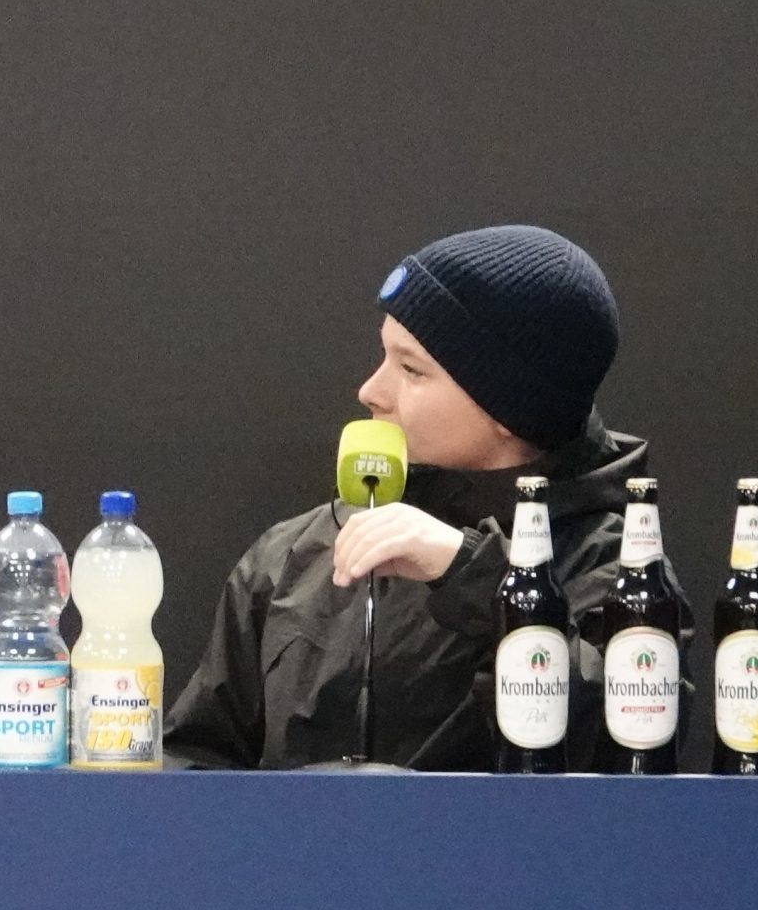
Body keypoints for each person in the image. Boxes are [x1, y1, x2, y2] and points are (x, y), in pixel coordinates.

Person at [163, 224, 690, 770]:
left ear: (509, 409)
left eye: (411, 369)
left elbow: (626, 763)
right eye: (384, 356)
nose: (371, 391)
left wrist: (479, 579)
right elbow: (194, 762)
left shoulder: (621, 574)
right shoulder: (292, 555)